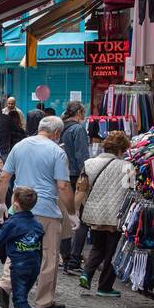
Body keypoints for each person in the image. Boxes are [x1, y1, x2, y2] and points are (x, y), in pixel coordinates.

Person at [0, 115, 75, 308]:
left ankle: (5, 284)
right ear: (57, 133)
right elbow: (63, 186)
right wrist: (72, 212)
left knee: (18, 248)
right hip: (46, 208)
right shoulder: (57, 151)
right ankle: (44, 300)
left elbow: (4, 177)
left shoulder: (20, 146)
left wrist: (0, 204)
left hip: (19, 207)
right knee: (48, 254)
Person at [75, 131, 133, 298]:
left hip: (94, 212)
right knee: (113, 251)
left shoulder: (89, 163)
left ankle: (86, 273)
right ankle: (105, 286)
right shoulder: (127, 166)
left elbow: (81, 188)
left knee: (98, 246)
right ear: (122, 149)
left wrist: (75, 209)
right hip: (116, 215)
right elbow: (129, 192)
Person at [60, 101, 91, 271]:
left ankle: (65, 257)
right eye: (83, 112)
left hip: (61, 176)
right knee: (81, 218)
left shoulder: (60, 127)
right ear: (78, 112)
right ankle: (74, 258)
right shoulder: (78, 129)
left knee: (65, 217)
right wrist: (85, 176)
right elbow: (82, 156)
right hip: (75, 177)